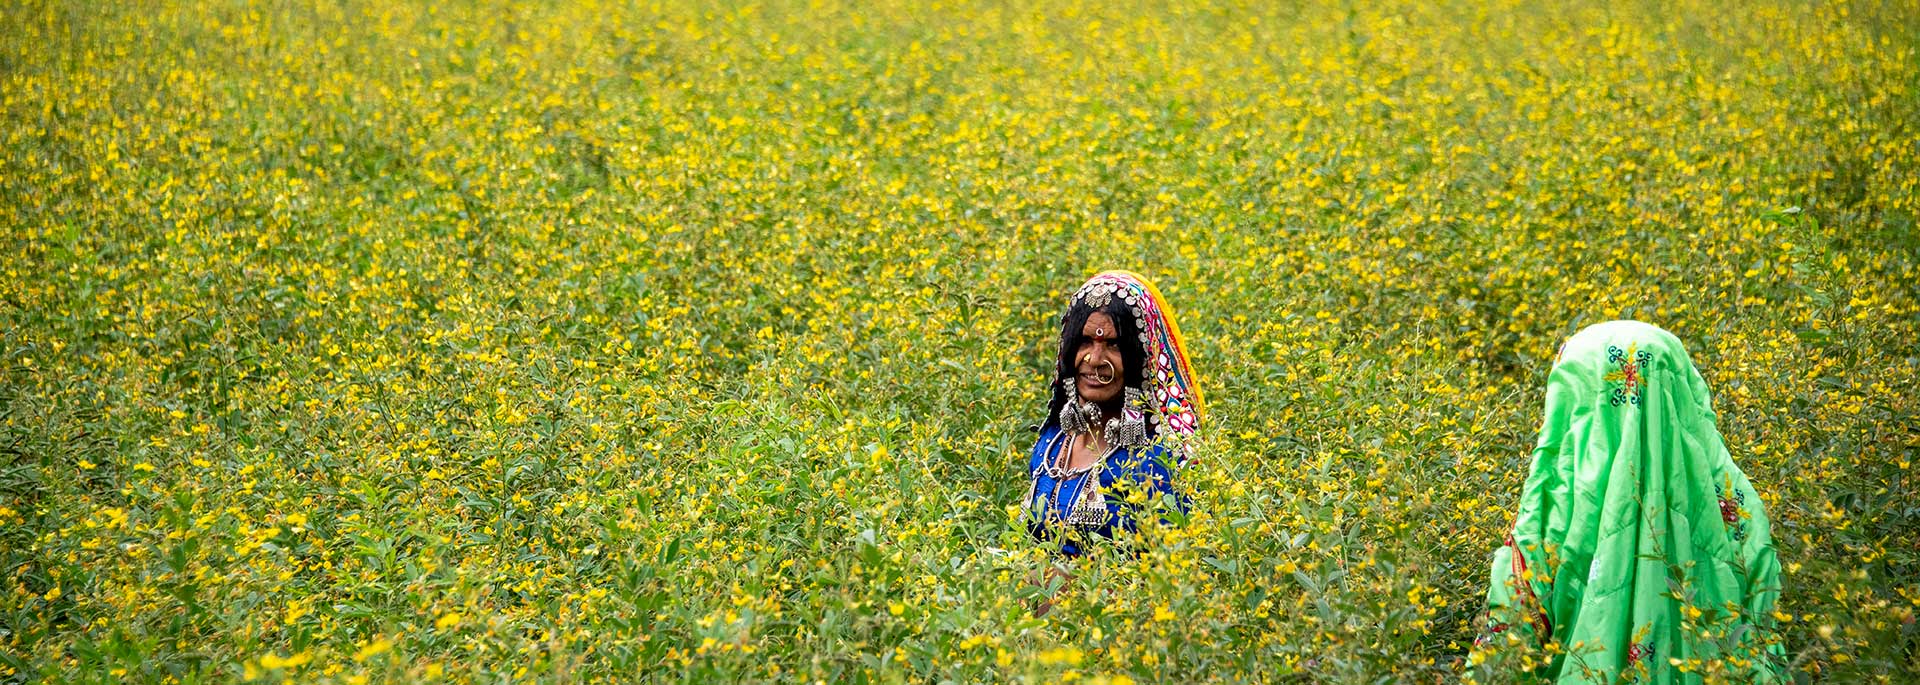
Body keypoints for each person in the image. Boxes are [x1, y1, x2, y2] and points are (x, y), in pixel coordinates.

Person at [1471, 320, 1785, 683]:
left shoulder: (1551, 502)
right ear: (1681, 392)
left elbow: (1514, 616)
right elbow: (1760, 622)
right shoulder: (1737, 506)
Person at [1021, 271, 1202, 561]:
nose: (1094, 359)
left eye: (1113, 345)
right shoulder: (1050, 444)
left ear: (1142, 359)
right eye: (1084, 341)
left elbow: (1175, 578)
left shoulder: (1160, 464)